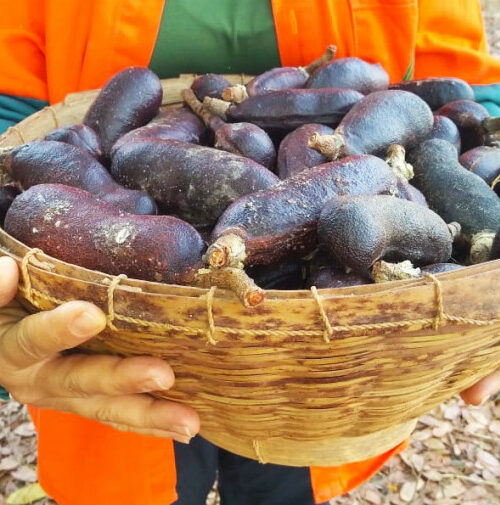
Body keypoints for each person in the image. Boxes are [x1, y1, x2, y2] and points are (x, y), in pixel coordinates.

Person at [0, 1, 499, 504]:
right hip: (107, 353)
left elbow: (467, 99)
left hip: (325, 374)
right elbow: (11, 119)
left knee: (285, 486)